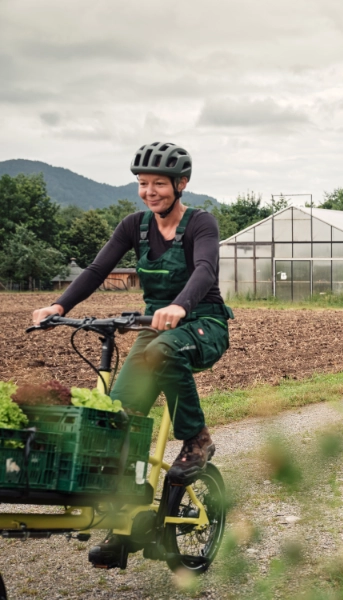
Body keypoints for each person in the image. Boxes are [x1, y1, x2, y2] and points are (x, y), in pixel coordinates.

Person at [31, 142, 233, 567]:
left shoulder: (201, 223)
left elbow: (205, 270)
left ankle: (197, 440)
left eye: (159, 183)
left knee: (162, 352)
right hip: (154, 328)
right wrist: (59, 306)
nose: (149, 191)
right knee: (117, 421)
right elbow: (97, 270)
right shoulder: (134, 226)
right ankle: (123, 526)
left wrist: (180, 305)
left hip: (203, 323)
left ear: (182, 184)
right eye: (143, 184)